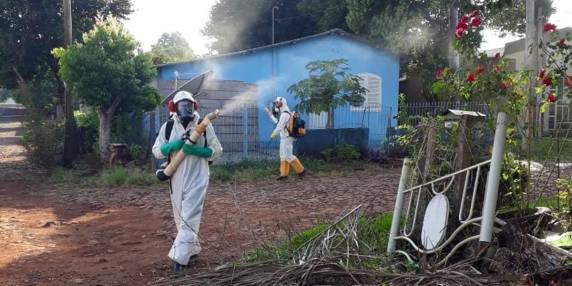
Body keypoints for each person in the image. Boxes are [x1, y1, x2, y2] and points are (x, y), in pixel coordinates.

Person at [152, 91, 223, 271]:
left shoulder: (203, 125)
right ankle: (192, 249)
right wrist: (172, 145)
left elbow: (217, 150)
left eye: (189, 104)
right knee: (180, 217)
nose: (186, 108)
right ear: (174, 108)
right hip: (175, 176)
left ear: (194, 106)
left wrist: (199, 151)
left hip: (198, 176)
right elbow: (157, 151)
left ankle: (179, 259)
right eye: (182, 105)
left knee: (190, 216)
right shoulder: (168, 127)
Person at [270, 96, 306, 180]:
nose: (276, 104)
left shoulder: (285, 114)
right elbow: (278, 123)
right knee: (283, 156)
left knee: (288, 156)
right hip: (284, 137)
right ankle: (284, 174)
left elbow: (279, 126)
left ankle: (301, 171)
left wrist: (273, 134)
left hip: (287, 138)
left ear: (281, 103)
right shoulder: (284, 113)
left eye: (277, 102)